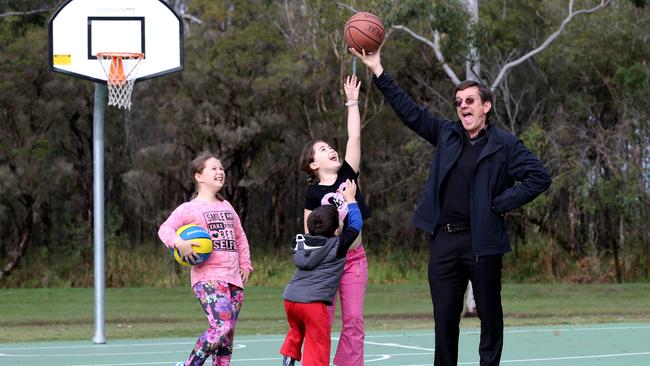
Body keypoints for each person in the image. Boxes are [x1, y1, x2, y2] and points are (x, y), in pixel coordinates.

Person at [350, 47, 552, 366]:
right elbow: (410, 111)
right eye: (458, 102)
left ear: (486, 105)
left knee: (489, 316)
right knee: (445, 321)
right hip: (444, 241)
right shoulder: (446, 134)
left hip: (483, 242)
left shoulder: (505, 145)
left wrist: (499, 203)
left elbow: (539, 177)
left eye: (469, 101)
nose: (462, 106)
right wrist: (377, 70)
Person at [298, 74, 371, 366]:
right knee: (322, 321)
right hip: (327, 264)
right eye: (324, 149)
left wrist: (352, 101)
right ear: (314, 164)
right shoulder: (313, 194)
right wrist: (332, 228)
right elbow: (308, 231)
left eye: (331, 146)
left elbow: (354, 136)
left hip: (354, 259)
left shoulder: (347, 176)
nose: (332, 149)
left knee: (353, 321)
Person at [158, 152, 253, 366]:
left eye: (221, 168)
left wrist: (246, 263)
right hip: (208, 277)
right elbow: (165, 229)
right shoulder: (189, 208)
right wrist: (178, 243)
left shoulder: (227, 206)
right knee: (221, 327)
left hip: (234, 279)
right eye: (214, 168)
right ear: (198, 176)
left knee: (226, 338)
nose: (220, 172)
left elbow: (240, 236)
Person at [281, 179, 363, 366]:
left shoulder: (300, 243)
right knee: (317, 343)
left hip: (291, 300)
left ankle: (289, 353)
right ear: (336, 231)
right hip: (313, 303)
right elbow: (356, 225)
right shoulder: (337, 245)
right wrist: (351, 200)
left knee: (297, 330)